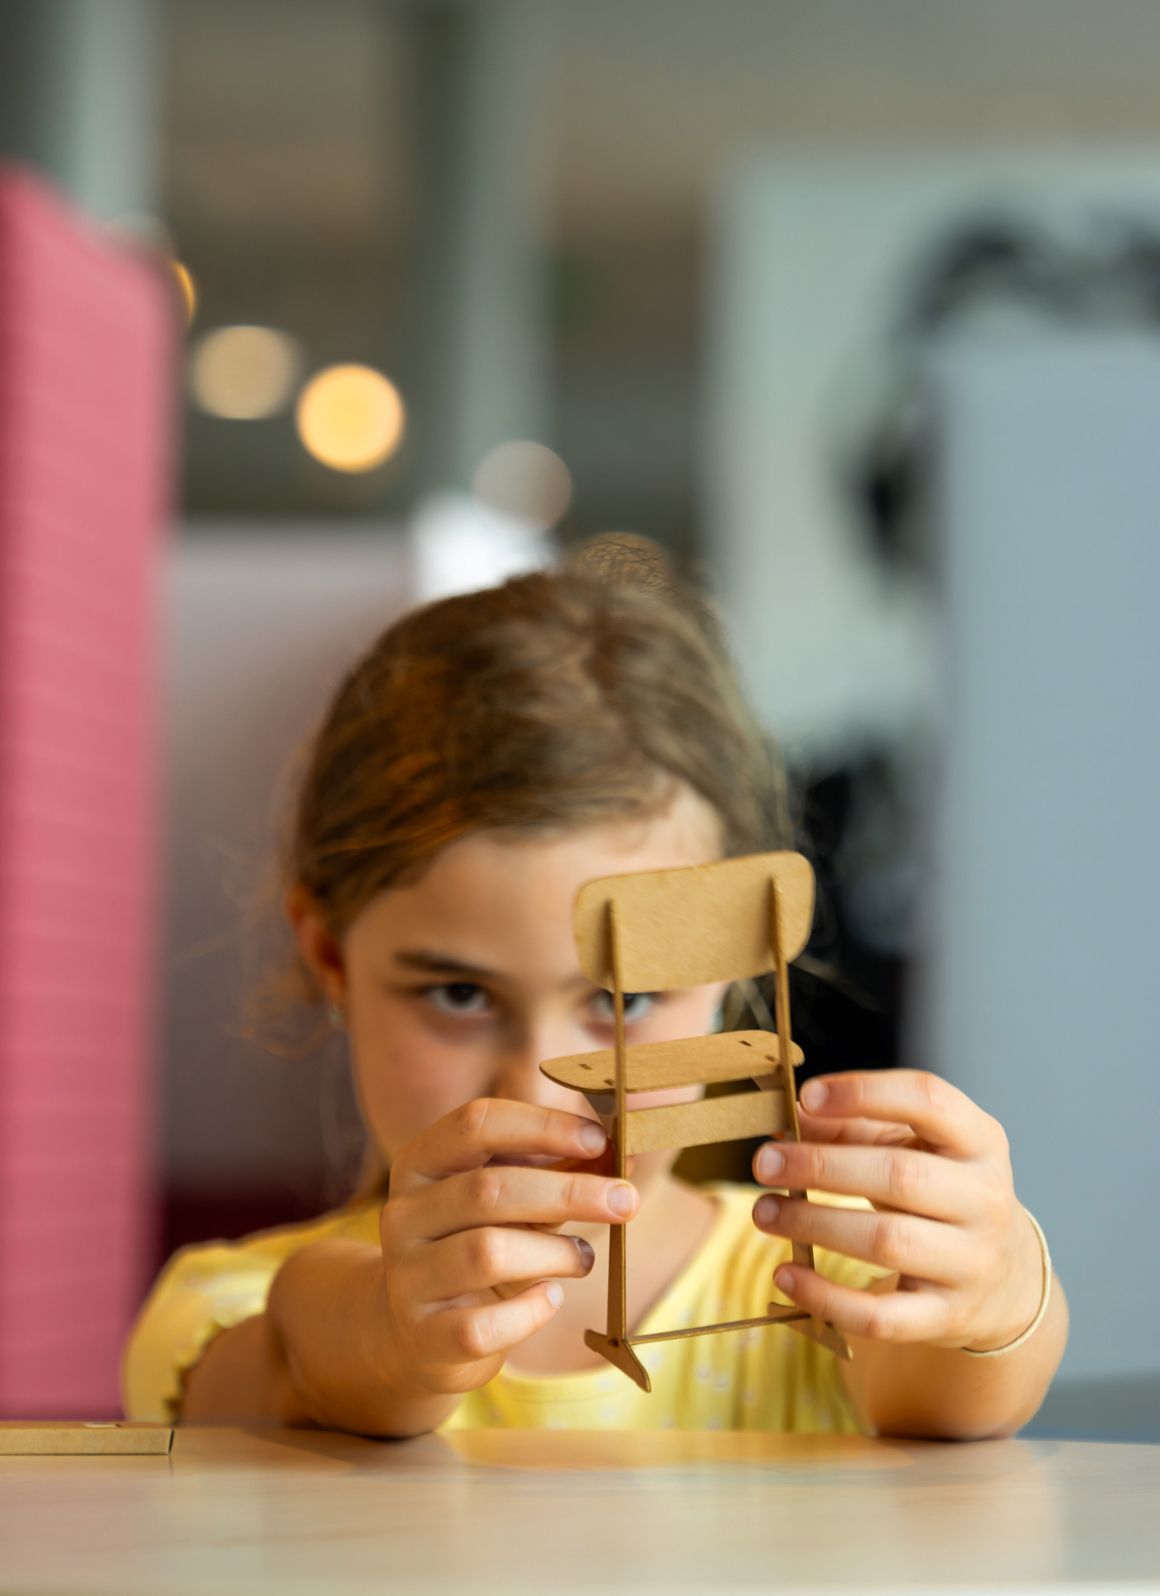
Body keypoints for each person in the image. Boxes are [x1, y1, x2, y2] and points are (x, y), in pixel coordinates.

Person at [121, 536, 1067, 1439]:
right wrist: (384, 1337)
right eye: (458, 994)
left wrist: (995, 1298)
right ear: (330, 959)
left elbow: (947, 1395)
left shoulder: (817, 1285)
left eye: (621, 1004)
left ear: (742, 965)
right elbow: (293, 1364)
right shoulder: (220, 1307)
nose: (535, 1088)